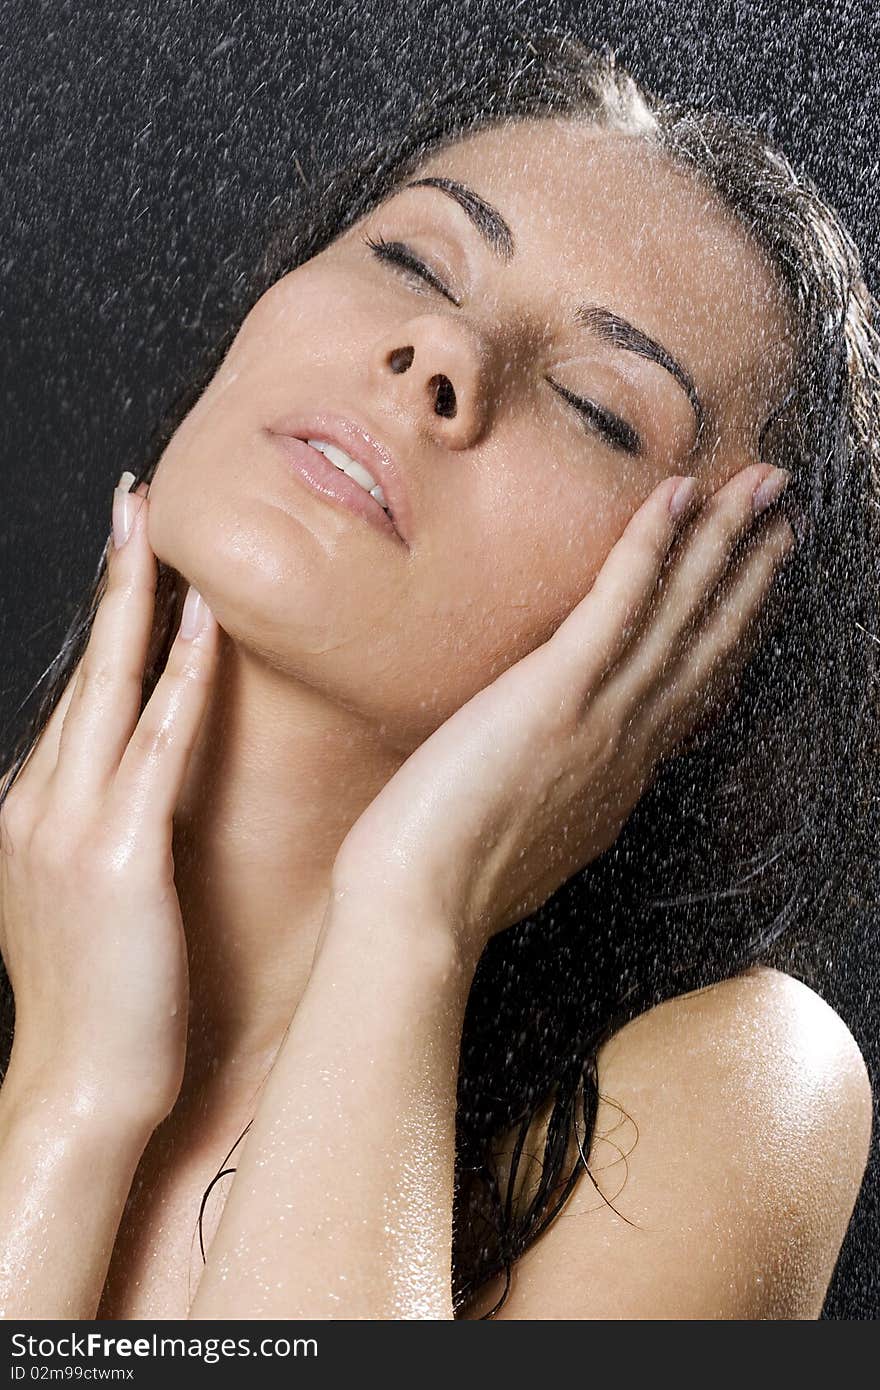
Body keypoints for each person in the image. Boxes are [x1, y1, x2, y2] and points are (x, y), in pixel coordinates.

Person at [0, 35, 875, 1322]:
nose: (440, 354)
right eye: (410, 260)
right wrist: (72, 1098)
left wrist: (415, 914)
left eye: (594, 405)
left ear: (706, 643)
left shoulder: (731, 1085)